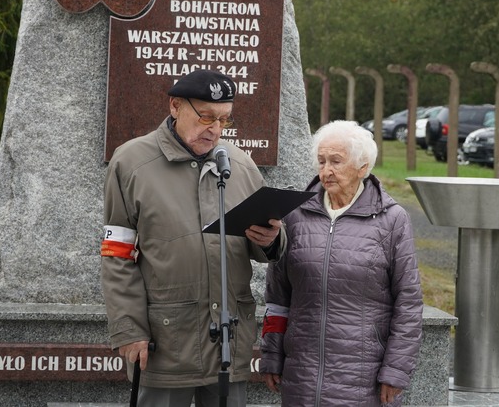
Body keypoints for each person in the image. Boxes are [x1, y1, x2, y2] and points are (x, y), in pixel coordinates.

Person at [100, 69, 285, 407]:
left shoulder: (240, 165)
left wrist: (271, 237)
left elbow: (264, 246)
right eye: (206, 117)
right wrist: (128, 328)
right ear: (175, 106)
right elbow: (117, 254)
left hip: (228, 344)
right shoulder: (131, 163)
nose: (214, 129)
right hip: (166, 343)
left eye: (224, 120)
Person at [259, 120, 423, 406]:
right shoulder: (295, 215)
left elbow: (408, 302)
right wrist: (272, 354)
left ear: (363, 167)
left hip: (363, 377)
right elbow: (277, 297)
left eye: (336, 161)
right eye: (321, 161)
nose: (326, 170)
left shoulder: (392, 219)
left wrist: (396, 370)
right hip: (302, 375)